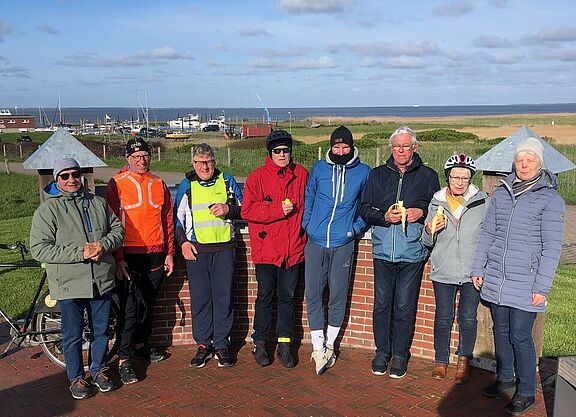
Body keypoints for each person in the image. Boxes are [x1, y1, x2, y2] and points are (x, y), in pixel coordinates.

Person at [471, 137, 565, 416]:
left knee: (520, 336)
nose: (524, 164)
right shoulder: (502, 192)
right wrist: (478, 268)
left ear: (539, 163)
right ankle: (505, 378)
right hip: (497, 276)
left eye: (530, 159)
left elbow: (552, 247)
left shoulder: (550, 199)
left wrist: (542, 286)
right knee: (500, 330)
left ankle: (526, 392)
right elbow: (488, 233)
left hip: (527, 280)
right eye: (520, 159)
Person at [30, 157, 124, 400]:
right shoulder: (47, 210)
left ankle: (99, 369)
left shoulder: (98, 203)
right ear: (56, 179)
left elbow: (118, 231)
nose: (72, 179)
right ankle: (76, 377)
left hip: (100, 280)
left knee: (101, 331)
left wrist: (103, 245)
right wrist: (80, 253)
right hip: (69, 284)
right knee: (72, 335)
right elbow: (39, 249)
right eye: (65, 176)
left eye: (75, 174)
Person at [360, 125, 440, 378]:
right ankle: (382, 351)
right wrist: (384, 216)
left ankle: (400, 355)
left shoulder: (428, 176)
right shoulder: (377, 175)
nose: (401, 150)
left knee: (405, 306)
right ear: (391, 149)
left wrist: (422, 212)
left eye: (406, 146)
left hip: (413, 252)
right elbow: (363, 209)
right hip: (383, 251)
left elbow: (437, 209)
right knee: (382, 305)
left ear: (415, 148)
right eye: (397, 146)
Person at [106, 137, 175, 385]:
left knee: (149, 305)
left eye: (145, 156)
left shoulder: (159, 183)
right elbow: (112, 223)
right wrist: (119, 257)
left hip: (156, 253)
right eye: (136, 157)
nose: (141, 161)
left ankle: (141, 345)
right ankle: (124, 359)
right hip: (130, 255)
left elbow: (167, 219)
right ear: (128, 158)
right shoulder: (117, 183)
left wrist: (170, 253)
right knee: (130, 309)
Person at [302, 126, 371, 375]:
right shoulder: (319, 168)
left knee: (337, 297)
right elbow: (309, 196)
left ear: (352, 147)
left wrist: (354, 230)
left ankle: (330, 346)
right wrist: (307, 224)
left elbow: (366, 206)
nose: (340, 151)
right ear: (331, 147)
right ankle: (317, 347)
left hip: (343, 243)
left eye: (345, 147)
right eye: (336, 146)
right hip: (316, 241)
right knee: (313, 295)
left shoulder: (363, 172)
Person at [241, 130, 308, 368]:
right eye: (277, 151)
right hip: (267, 251)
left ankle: (284, 344)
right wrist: (277, 210)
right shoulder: (257, 177)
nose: (282, 154)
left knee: (288, 299)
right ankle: (260, 343)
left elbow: (309, 205)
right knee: (265, 298)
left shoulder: (301, 174)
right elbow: (247, 211)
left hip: (293, 250)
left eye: (286, 150)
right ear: (269, 153)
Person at [174, 143, 243, 369]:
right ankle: (204, 344)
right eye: (200, 162)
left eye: (209, 161)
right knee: (201, 300)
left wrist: (229, 209)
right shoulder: (187, 185)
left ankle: (222, 344)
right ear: (193, 164)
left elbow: (244, 209)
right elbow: (178, 220)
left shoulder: (227, 180)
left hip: (224, 248)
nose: (205, 166)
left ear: (215, 161)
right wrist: (182, 243)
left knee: (223, 298)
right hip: (197, 251)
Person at [421, 154, 489, 383]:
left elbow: (489, 236)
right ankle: (441, 360)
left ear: (471, 179)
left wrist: (484, 266)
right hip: (444, 269)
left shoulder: (482, 201)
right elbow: (426, 241)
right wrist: (430, 229)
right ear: (447, 177)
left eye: (465, 177)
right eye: (455, 177)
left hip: (472, 270)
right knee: (443, 317)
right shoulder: (436, 201)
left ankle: (463, 360)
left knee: (468, 318)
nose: (460, 182)